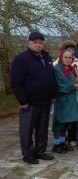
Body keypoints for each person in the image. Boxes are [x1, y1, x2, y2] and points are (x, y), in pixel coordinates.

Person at [11, 32, 58, 164]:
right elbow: (16, 82)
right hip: (30, 102)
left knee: (42, 128)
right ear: (29, 43)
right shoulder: (21, 59)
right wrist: (23, 100)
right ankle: (28, 154)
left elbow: (51, 77)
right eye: (35, 42)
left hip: (45, 100)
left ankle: (40, 151)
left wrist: (53, 94)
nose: (38, 45)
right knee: (27, 129)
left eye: (40, 43)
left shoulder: (47, 57)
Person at [52, 40, 78, 148]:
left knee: (66, 124)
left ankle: (62, 143)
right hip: (62, 101)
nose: (68, 59)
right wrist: (74, 86)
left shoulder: (71, 69)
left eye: (70, 58)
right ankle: (57, 145)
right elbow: (59, 86)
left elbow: (77, 81)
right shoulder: (56, 69)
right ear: (61, 57)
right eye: (66, 57)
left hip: (70, 101)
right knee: (59, 125)